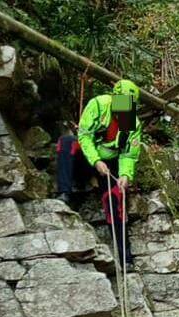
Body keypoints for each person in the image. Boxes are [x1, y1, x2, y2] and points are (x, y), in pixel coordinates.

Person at [55, 79, 142, 267]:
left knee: (116, 198)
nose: (122, 110)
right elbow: (84, 135)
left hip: (110, 164)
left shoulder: (131, 121)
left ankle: (125, 256)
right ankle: (64, 192)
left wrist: (125, 175)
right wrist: (96, 161)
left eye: (127, 106)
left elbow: (128, 154)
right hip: (89, 157)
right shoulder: (98, 105)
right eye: (120, 103)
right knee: (66, 143)